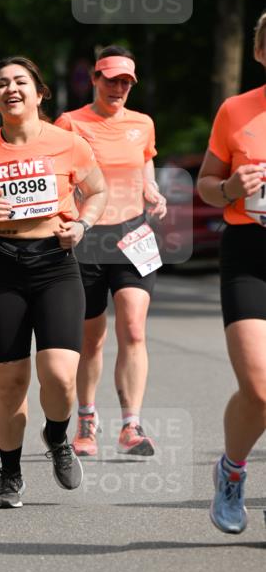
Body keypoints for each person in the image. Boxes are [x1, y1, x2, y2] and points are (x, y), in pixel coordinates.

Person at [0, 56, 107, 507]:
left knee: (60, 377)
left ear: (40, 93)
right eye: (1, 83)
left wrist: (81, 226)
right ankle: (10, 473)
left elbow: (97, 191)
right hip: (2, 268)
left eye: (20, 81)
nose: (10, 89)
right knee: (12, 382)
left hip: (56, 265)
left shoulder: (68, 143)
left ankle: (57, 436)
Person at [56, 47, 168, 458]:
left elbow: (145, 165)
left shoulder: (142, 124)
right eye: (112, 80)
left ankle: (130, 425)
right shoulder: (71, 123)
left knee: (134, 330)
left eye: (126, 82)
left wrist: (151, 189)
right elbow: (60, 173)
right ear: (96, 80)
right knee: (91, 339)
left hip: (133, 235)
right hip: (88, 238)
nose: (119, 88)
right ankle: (86, 420)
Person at [197, 11, 266, 534]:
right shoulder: (237, 110)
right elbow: (206, 185)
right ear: (262, 52)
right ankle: (232, 471)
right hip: (250, 251)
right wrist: (231, 189)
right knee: (260, 388)